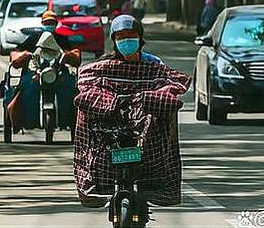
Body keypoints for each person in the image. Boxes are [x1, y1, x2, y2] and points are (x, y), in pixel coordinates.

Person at [73, 14, 191, 208]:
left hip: (145, 125)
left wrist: (150, 99)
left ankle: (157, 183)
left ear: (140, 37)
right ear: (114, 41)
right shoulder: (101, 67)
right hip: (111, 125)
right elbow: (86, 85)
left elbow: (169, 84)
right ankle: (92, 180)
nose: (126, 41)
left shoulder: (154, 65)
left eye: (131, 35)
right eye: (120, 37)